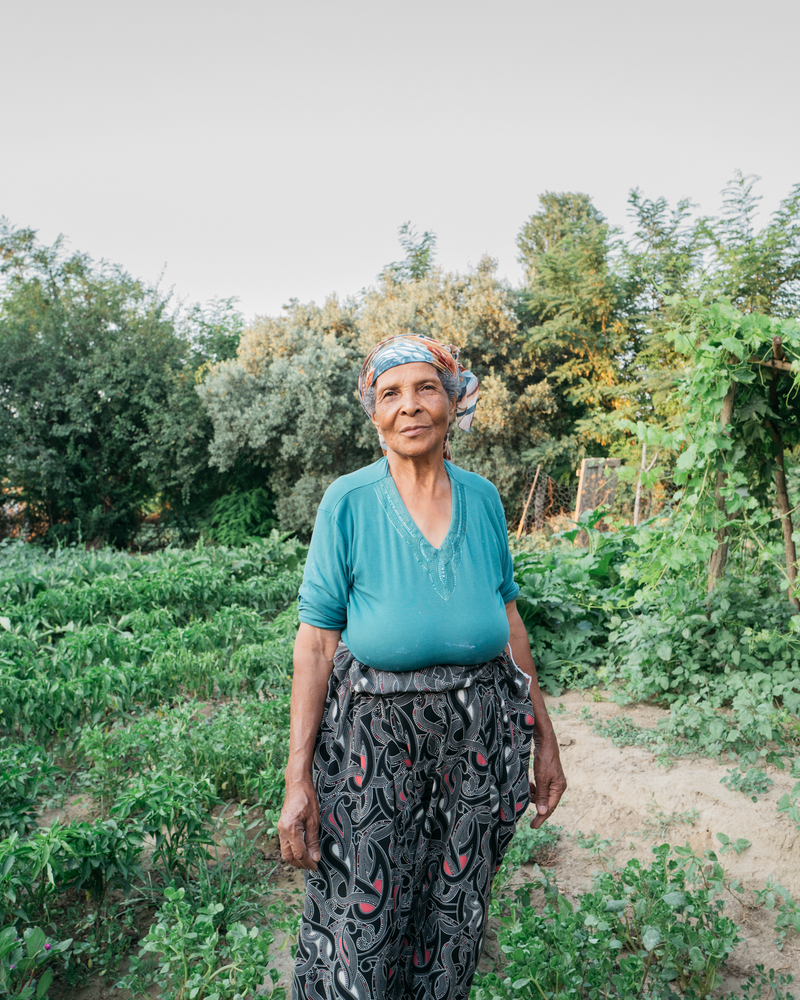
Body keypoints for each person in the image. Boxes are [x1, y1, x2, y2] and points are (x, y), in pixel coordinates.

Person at [278, 334, 566, 1000]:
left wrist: (544, 741)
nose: (409, 406)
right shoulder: (348, 502)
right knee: (368, 908)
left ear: (452, 402)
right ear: (374, 413)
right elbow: (316, 644)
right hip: (374, 749)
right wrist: (297, 779)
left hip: (478, 744)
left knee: (455, 906)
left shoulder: (485, 499)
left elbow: (508, 623)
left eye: (425, 388)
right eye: (391, 393)